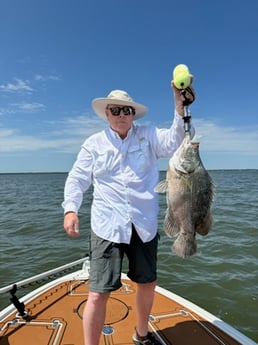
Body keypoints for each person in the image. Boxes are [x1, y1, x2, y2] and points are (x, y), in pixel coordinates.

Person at [62, 81, 195, 345]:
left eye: (126, 111)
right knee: (99, 292)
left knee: (147, 284)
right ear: (106, 114)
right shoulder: (93, 144)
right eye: (115, 110)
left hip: (143, 224)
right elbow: (77, 179)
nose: (122, 115)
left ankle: (141, 335)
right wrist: (70, 209)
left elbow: (176, 141)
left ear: (133, 114)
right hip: (107, 226)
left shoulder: (149, 136)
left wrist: (180, 106)